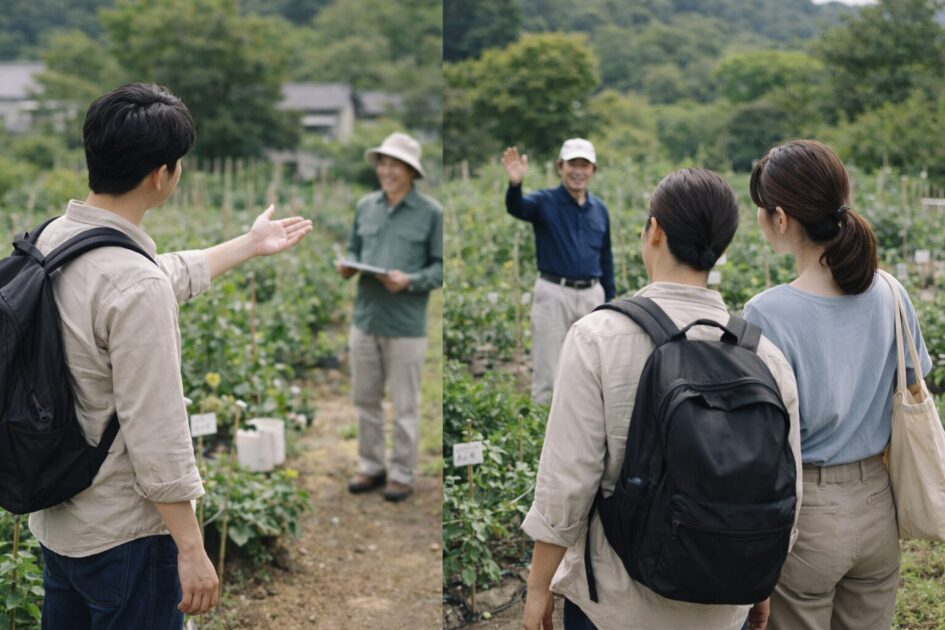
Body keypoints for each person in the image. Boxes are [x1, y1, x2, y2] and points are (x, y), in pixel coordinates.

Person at [29, 83, 312, 629]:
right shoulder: (133, 283)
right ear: (162, 174)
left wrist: (249, 244)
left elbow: (158, 276)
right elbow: (156, 432)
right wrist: (190, 546)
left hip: (60, 523)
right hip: (125, 537)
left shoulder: (52, 239)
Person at [520, 168, 802, 630]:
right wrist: (760, 585)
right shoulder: (765, 355)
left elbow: (567, 484)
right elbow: (788, 492)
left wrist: (538, 589)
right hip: (722, 606)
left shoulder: (597, 337)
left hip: (614, 606)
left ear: (654, 231)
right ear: (723, 247)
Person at [743, 139, 932, 630]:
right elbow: (912, 383)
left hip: (808, 513)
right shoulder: (891, 291)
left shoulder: (765, 312)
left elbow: (756, 431)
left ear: (780, 219)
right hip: (878, 506)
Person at [338, 132, 442, 502]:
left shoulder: (431, 214)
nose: (386, 170)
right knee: (365, 399)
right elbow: (353, 249)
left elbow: (440, 268)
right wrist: (348, 267)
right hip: (366, 318)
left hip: (405, 325)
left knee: (405, 405)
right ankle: (371, 465)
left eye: (394, 165)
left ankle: (402, 472)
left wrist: (410, 281)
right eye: (382, 163)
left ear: (411, 172)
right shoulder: (366, 206)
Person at [502, 139, 615, 404]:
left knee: (593, 369)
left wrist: (608, 298)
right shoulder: (545, 202)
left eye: (584, 165)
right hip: (554, 293)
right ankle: (541, 432)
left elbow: (605, 255)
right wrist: (515, 185)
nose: (578, 171)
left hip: (591, 294)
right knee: (548, 371)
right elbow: (516, 208)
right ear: (560, 167)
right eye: (572, 164)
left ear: (593, 169)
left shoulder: (599, 209)